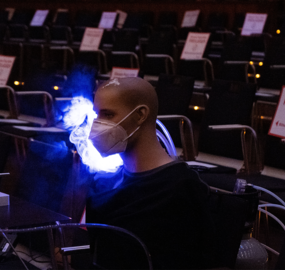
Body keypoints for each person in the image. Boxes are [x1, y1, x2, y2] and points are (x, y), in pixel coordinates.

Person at [86, 77, 217, 269]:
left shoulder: (181, 188)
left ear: (140, 115)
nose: (96, 126)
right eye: (96, 115)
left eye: (107, 115)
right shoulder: (108, 183)